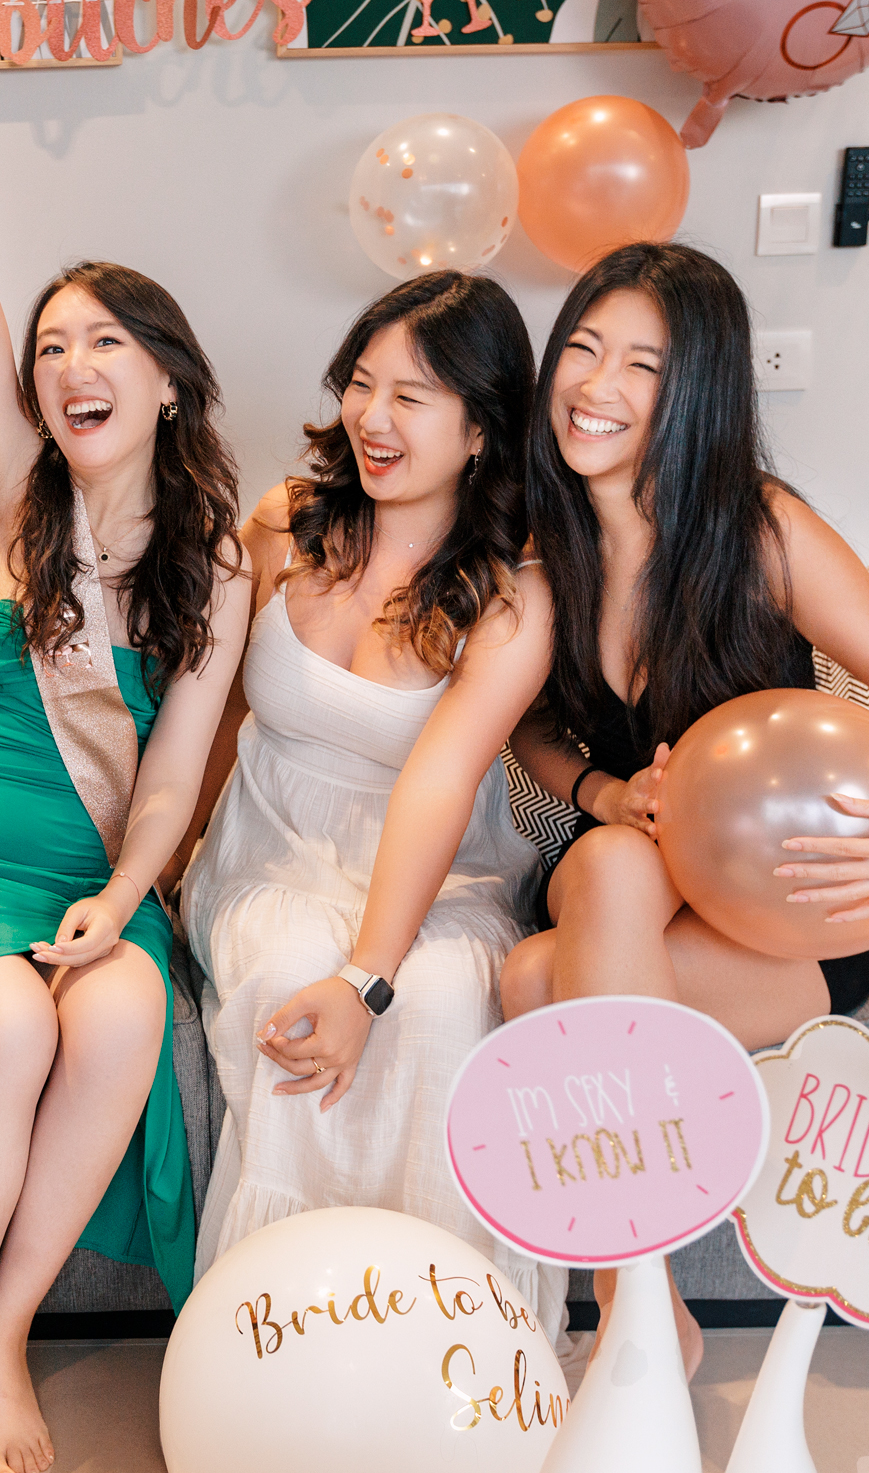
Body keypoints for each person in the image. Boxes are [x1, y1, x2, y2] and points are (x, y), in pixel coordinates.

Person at [499, 240, 869, 1368]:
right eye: (581, 348)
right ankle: (646, 1299)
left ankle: (630, 1295)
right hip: (635, 862)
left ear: (701, 394)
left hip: (781, 909)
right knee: (610, 863)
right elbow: (523, 723)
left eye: (644, 365)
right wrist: (599, 788)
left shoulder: (764, 531)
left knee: (534, 984)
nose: (596, 386)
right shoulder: (548, 537)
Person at [0, 0, 253, 1473]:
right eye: (55, 347)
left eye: (106, 342)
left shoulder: (220, 560)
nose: (70, 362)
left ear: (166, 382)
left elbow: (168, 781)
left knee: (114, 1020)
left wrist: (118, 899)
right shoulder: (14, 504)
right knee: (5, 1013)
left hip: (104, 871)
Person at [174, 271, 567, 1341]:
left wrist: (370, 976)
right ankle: (280, 1338)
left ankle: (451, 1345)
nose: (372, 418)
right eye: (360, 383)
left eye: (412, 396)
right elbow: (210, 716)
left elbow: (442, 782)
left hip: (439, 870)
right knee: (294, 978)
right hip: (270, 852)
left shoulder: (515, 593)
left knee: (440, 1003)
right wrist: (163, 863)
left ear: (482, 429)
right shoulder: (286, 524)